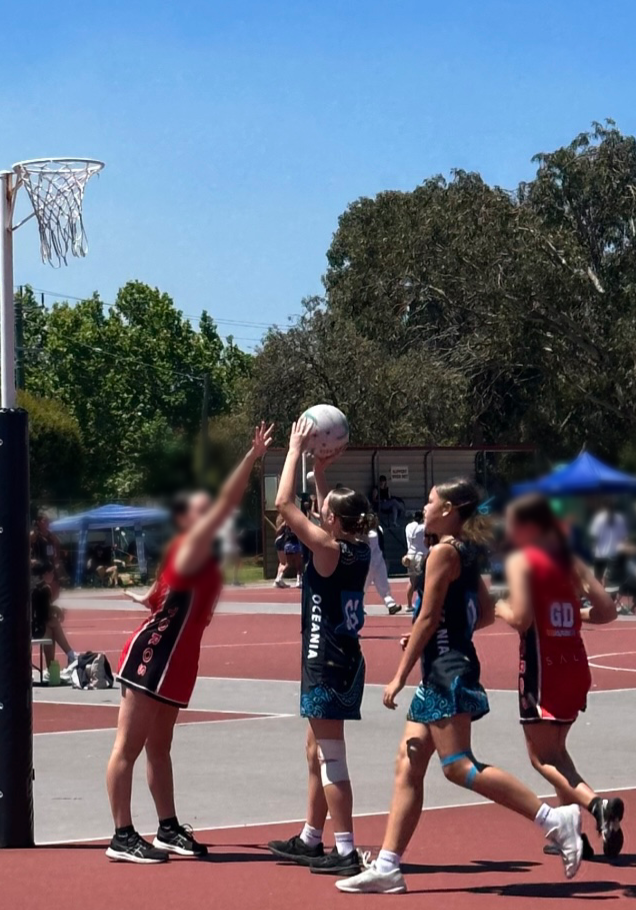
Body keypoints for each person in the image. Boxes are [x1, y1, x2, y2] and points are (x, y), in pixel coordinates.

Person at [337, 479, 584, 895]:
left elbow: (428, 618)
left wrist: (399, 674)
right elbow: (484, 613)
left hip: (447, 671)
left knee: (458, 765)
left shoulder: (441, 554)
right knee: (408, 761)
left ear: (449, 509)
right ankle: (387, 866)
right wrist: (440, 633)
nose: (425, 506)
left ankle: (554, 820)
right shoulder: (466, 553)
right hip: (449, 664)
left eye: (430, 501)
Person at [105, 421, 273, 864]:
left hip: (178, 660)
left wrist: (144, 595)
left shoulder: (202, 556)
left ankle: (166, 828)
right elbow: (227, 502)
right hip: (153, 656)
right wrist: (252, 458)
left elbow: (158, 595)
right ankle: (121, 835)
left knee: (160, 748)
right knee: (129, 746)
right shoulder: (194, 542)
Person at [268, 419, 371, 877]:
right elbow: (321, 509)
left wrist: (293, 452)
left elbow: (283, 503)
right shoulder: (360, 545)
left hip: (325, 663)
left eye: (326, 509)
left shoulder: (327, 549)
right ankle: (313, 837)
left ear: (331, 519)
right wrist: (320, 471)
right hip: (346, 661)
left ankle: (346, 849)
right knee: (317, 750)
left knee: (331, 758)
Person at [495, 494, 623, 858]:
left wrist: (499, 606)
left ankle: (595, 805)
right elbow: (608, 611)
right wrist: (573, 616)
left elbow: (521, 618)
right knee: (558, 752)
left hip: (543, 667)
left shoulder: (523, 561)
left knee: (541, 758)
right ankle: (575, 836)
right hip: (575, 665)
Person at [31, 560, 78, 677]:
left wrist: (54, 609)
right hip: (34, 627)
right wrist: (55, 610)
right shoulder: (43, 589)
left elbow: (41, 610)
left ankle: (52, 667)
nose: (53, 576)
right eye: (51, 573)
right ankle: (69, 655)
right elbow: (43, 614)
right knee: (52, 624)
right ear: (45, 574)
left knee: (50, 627)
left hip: (34, 624)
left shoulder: (35, 586)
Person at [366, 518, 401, 615]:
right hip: (367, 562)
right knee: (363, 586)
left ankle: (391, 605)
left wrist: (384, 558)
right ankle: (359, 607)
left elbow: (381, 545)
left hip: (379, 560)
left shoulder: (379, 529)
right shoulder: (361, 532)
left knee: (383, 584)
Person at [589, 504, 627, 582]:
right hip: (600, 554)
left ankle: (605, 590)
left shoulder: (619, 520)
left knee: (610, 579)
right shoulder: (599, 519)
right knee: (599, 578)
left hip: (613, 555)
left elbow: (623, 537)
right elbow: (594, 537)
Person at [403, 510, 427, 612]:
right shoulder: (423, 527)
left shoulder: (408, 526)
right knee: (425, 581)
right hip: (421, 554)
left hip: (410, 553)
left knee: (412, 582)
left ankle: (409, 604)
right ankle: (425, 604)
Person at [274, 514, 290, 588]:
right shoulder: (284, 519)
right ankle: (279, 578)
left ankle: (277, 579)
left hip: (278, 540)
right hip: (282, 540)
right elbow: (279, 530)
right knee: (286, 563)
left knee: (281, 563)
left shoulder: (279, 518)